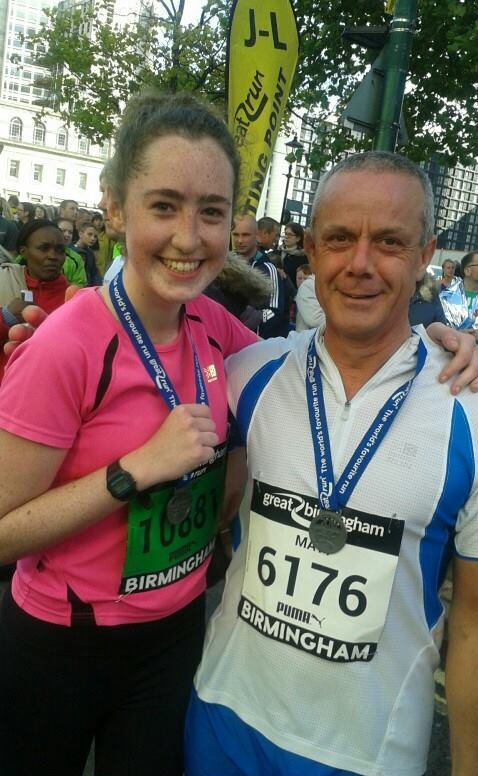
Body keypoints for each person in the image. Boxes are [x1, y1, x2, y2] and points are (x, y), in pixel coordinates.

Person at [186, 151, 478, 776]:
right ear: (311, 251)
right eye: (341, 238)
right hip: (221, 721)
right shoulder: (249, 373)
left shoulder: (470, 413)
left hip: (366, 754)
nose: (361, 264)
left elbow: (473, 626)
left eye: (390, 241)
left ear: (426, 254)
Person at [0, 90, 256, 776]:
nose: (189, 236)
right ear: (116, 208)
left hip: (175, 632)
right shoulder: (67, 344)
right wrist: (132, 471)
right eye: (164, 205)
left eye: (212, 212)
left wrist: (436, 350)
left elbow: (310, 372)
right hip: (61, 641)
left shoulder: (212, 324)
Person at [0, 219, 69, 380]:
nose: (53, 256)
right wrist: (6, 317)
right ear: (23, 251)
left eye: (60, 250)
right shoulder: (4, 279)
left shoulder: (74, 298)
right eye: (44, 248)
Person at [282, 221, 307, 287]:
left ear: (298, 238)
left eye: (290, 235)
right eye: (285, 234)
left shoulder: (303, 258)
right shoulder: (276, 253)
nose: (286, 237)